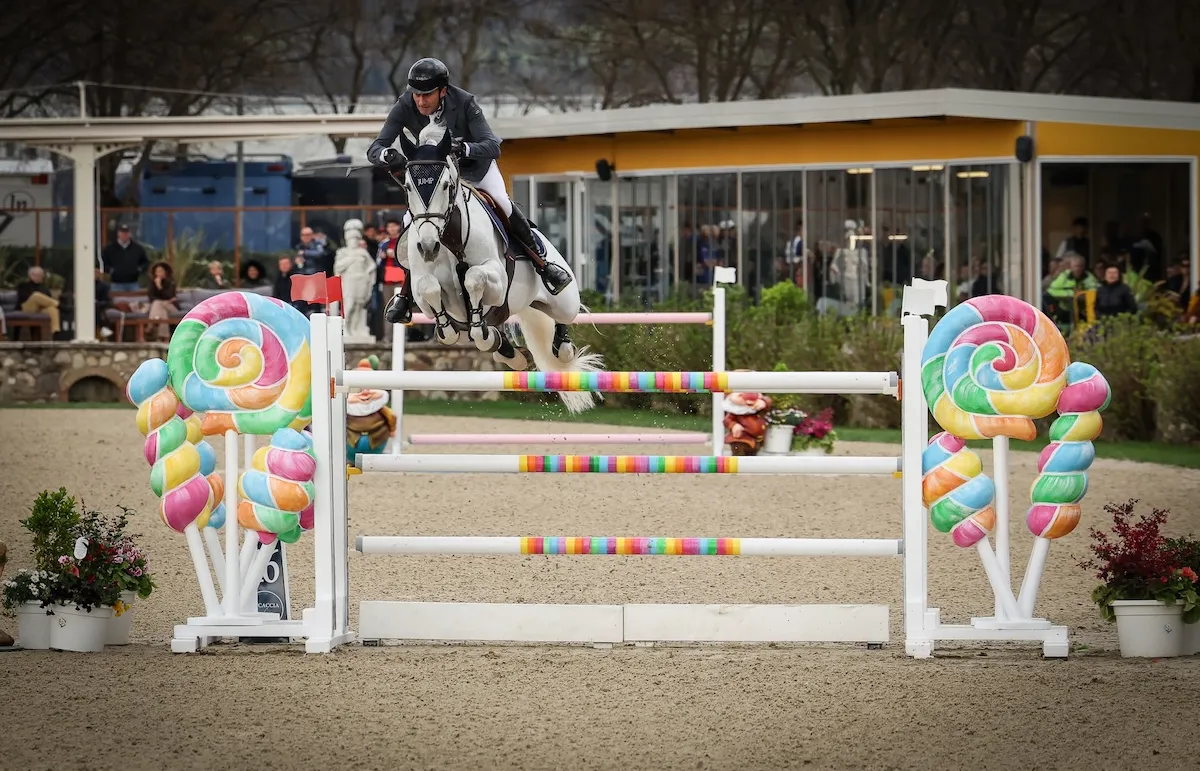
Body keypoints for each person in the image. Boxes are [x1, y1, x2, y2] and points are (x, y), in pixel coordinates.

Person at [367, 57, 572, 323]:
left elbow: (492, 145)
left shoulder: (465, 102)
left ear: (443, 90)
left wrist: (465, 149)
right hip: (436, 178)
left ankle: (543, 266)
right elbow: (374, 147)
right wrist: (386, 155)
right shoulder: (405, 104)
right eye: (416, 94)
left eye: (427, 94)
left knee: (503, 204)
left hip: (475, 171)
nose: (420, 102)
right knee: (412, 221)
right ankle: (406, 293)